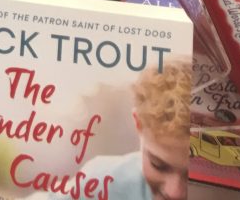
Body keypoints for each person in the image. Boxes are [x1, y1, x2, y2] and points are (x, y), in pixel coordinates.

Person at [79, 60, 192, 200]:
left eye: (193, 176)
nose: (174, 192)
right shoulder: (101, 184)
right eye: (158, 165)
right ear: (138, 123)